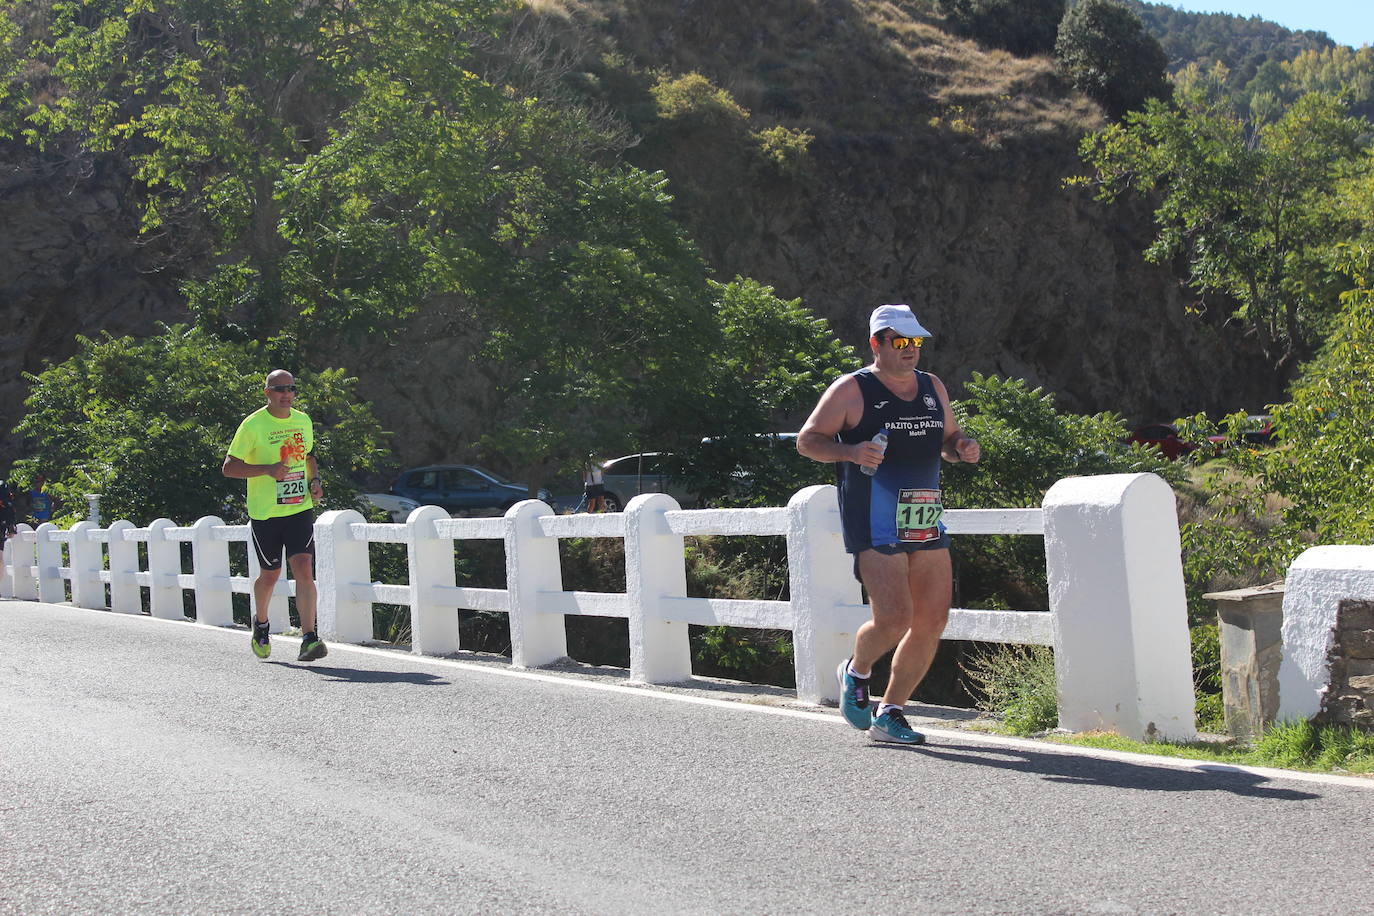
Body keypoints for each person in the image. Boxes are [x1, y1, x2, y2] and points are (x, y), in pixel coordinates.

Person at [797, 304, 980, 745]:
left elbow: (947, 440)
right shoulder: (851, 390)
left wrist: (962, 446)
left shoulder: (932, 386)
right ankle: (856, 671)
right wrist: (851, 452)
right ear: (876, 344)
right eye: (900, 342)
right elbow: (808, 441)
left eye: (915, 342)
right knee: (895, 617)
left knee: (933, 619)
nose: (910, 350)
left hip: (923, 517)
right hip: (874, 520)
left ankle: (891, 712)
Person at [223, 370, 327, 662]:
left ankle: (309, 637)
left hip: (298, 507)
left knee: (304, 567)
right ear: (267, 392)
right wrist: (268, 469)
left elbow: (309, 456)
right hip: (266, 512)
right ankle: (262, 624)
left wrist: (315, 481)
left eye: (291, 388)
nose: (286, 393)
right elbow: (229, 467)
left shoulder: (302, 420)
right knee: (270, 575)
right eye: (279, 388)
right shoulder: (253, 424)